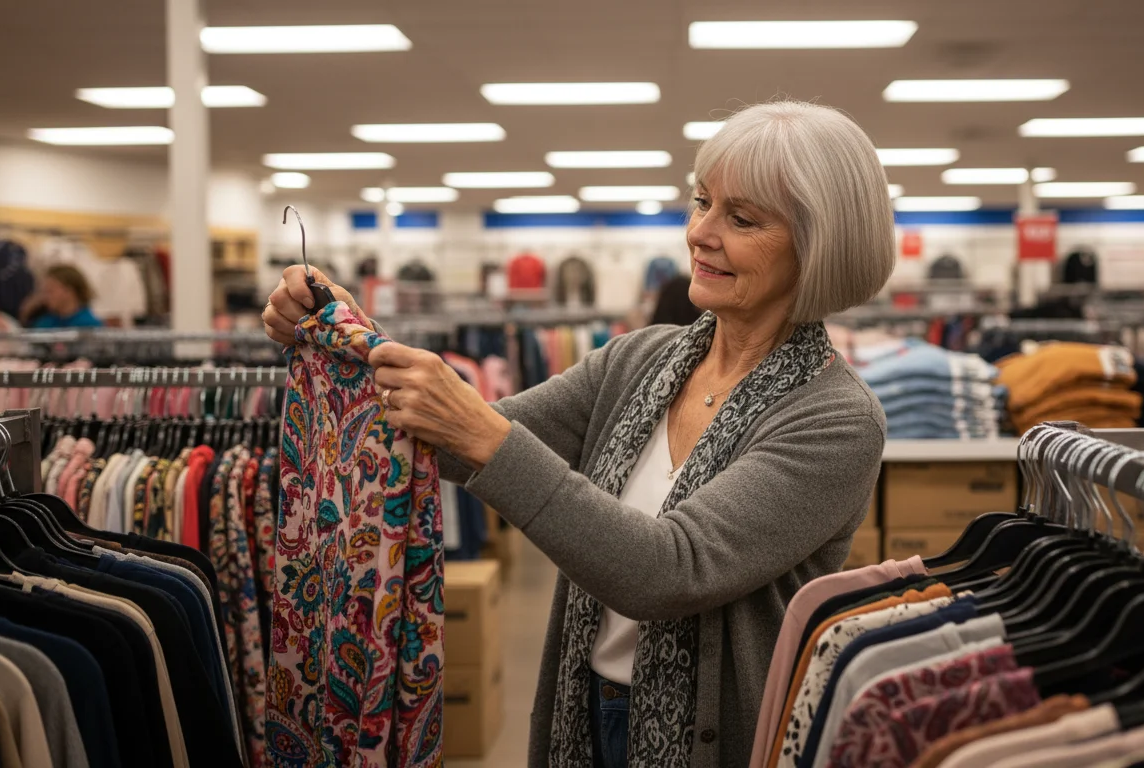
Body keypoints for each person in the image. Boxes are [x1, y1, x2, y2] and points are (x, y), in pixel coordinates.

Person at [262, 99, 896, 768]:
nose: (700, 233)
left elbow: (667, 570)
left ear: (820, 243)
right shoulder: (641, 359)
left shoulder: (835, 419)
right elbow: (449, 442)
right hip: (584, 709)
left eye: (740, 218)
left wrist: (482, 432)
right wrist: (347, 336)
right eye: (701, 202)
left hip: (719, 741)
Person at [25, 265, 104, 329]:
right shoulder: (45, 323)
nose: (45, 297)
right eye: (44, 292)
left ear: (69, 291)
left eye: (50, 291)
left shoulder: (89, 326)